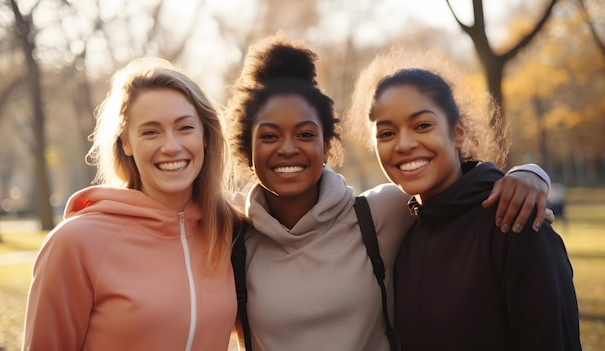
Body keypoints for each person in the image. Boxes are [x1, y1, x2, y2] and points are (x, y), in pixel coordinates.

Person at [225, 34, 553, 351]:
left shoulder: (384, 212)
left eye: (305, 134)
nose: (287, 149)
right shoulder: (232, 239)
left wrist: (529, 174)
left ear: (325, 148)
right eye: (269, 137)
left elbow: (456, 189)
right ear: (247, 151)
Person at [347, 49, 581, 350]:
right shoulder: (405, 237)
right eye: (387, 133)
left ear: (457, 132)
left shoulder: (515, 223)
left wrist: (533, 173)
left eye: (422, 126)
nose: (404, 144)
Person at [22, 57, 244, 351]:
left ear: (205, 135)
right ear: (125, 142)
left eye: (185, 127)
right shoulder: (75, 243)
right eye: (150, 131)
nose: (171, 146)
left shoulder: (230, 228)